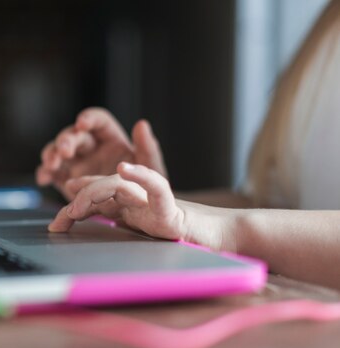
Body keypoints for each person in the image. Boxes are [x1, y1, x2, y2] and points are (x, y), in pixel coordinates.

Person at [35, 0, 340, 284]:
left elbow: (247, 225)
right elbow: (280, 210)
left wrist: (224, 230)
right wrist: (148, 198)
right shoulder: (327, 30)